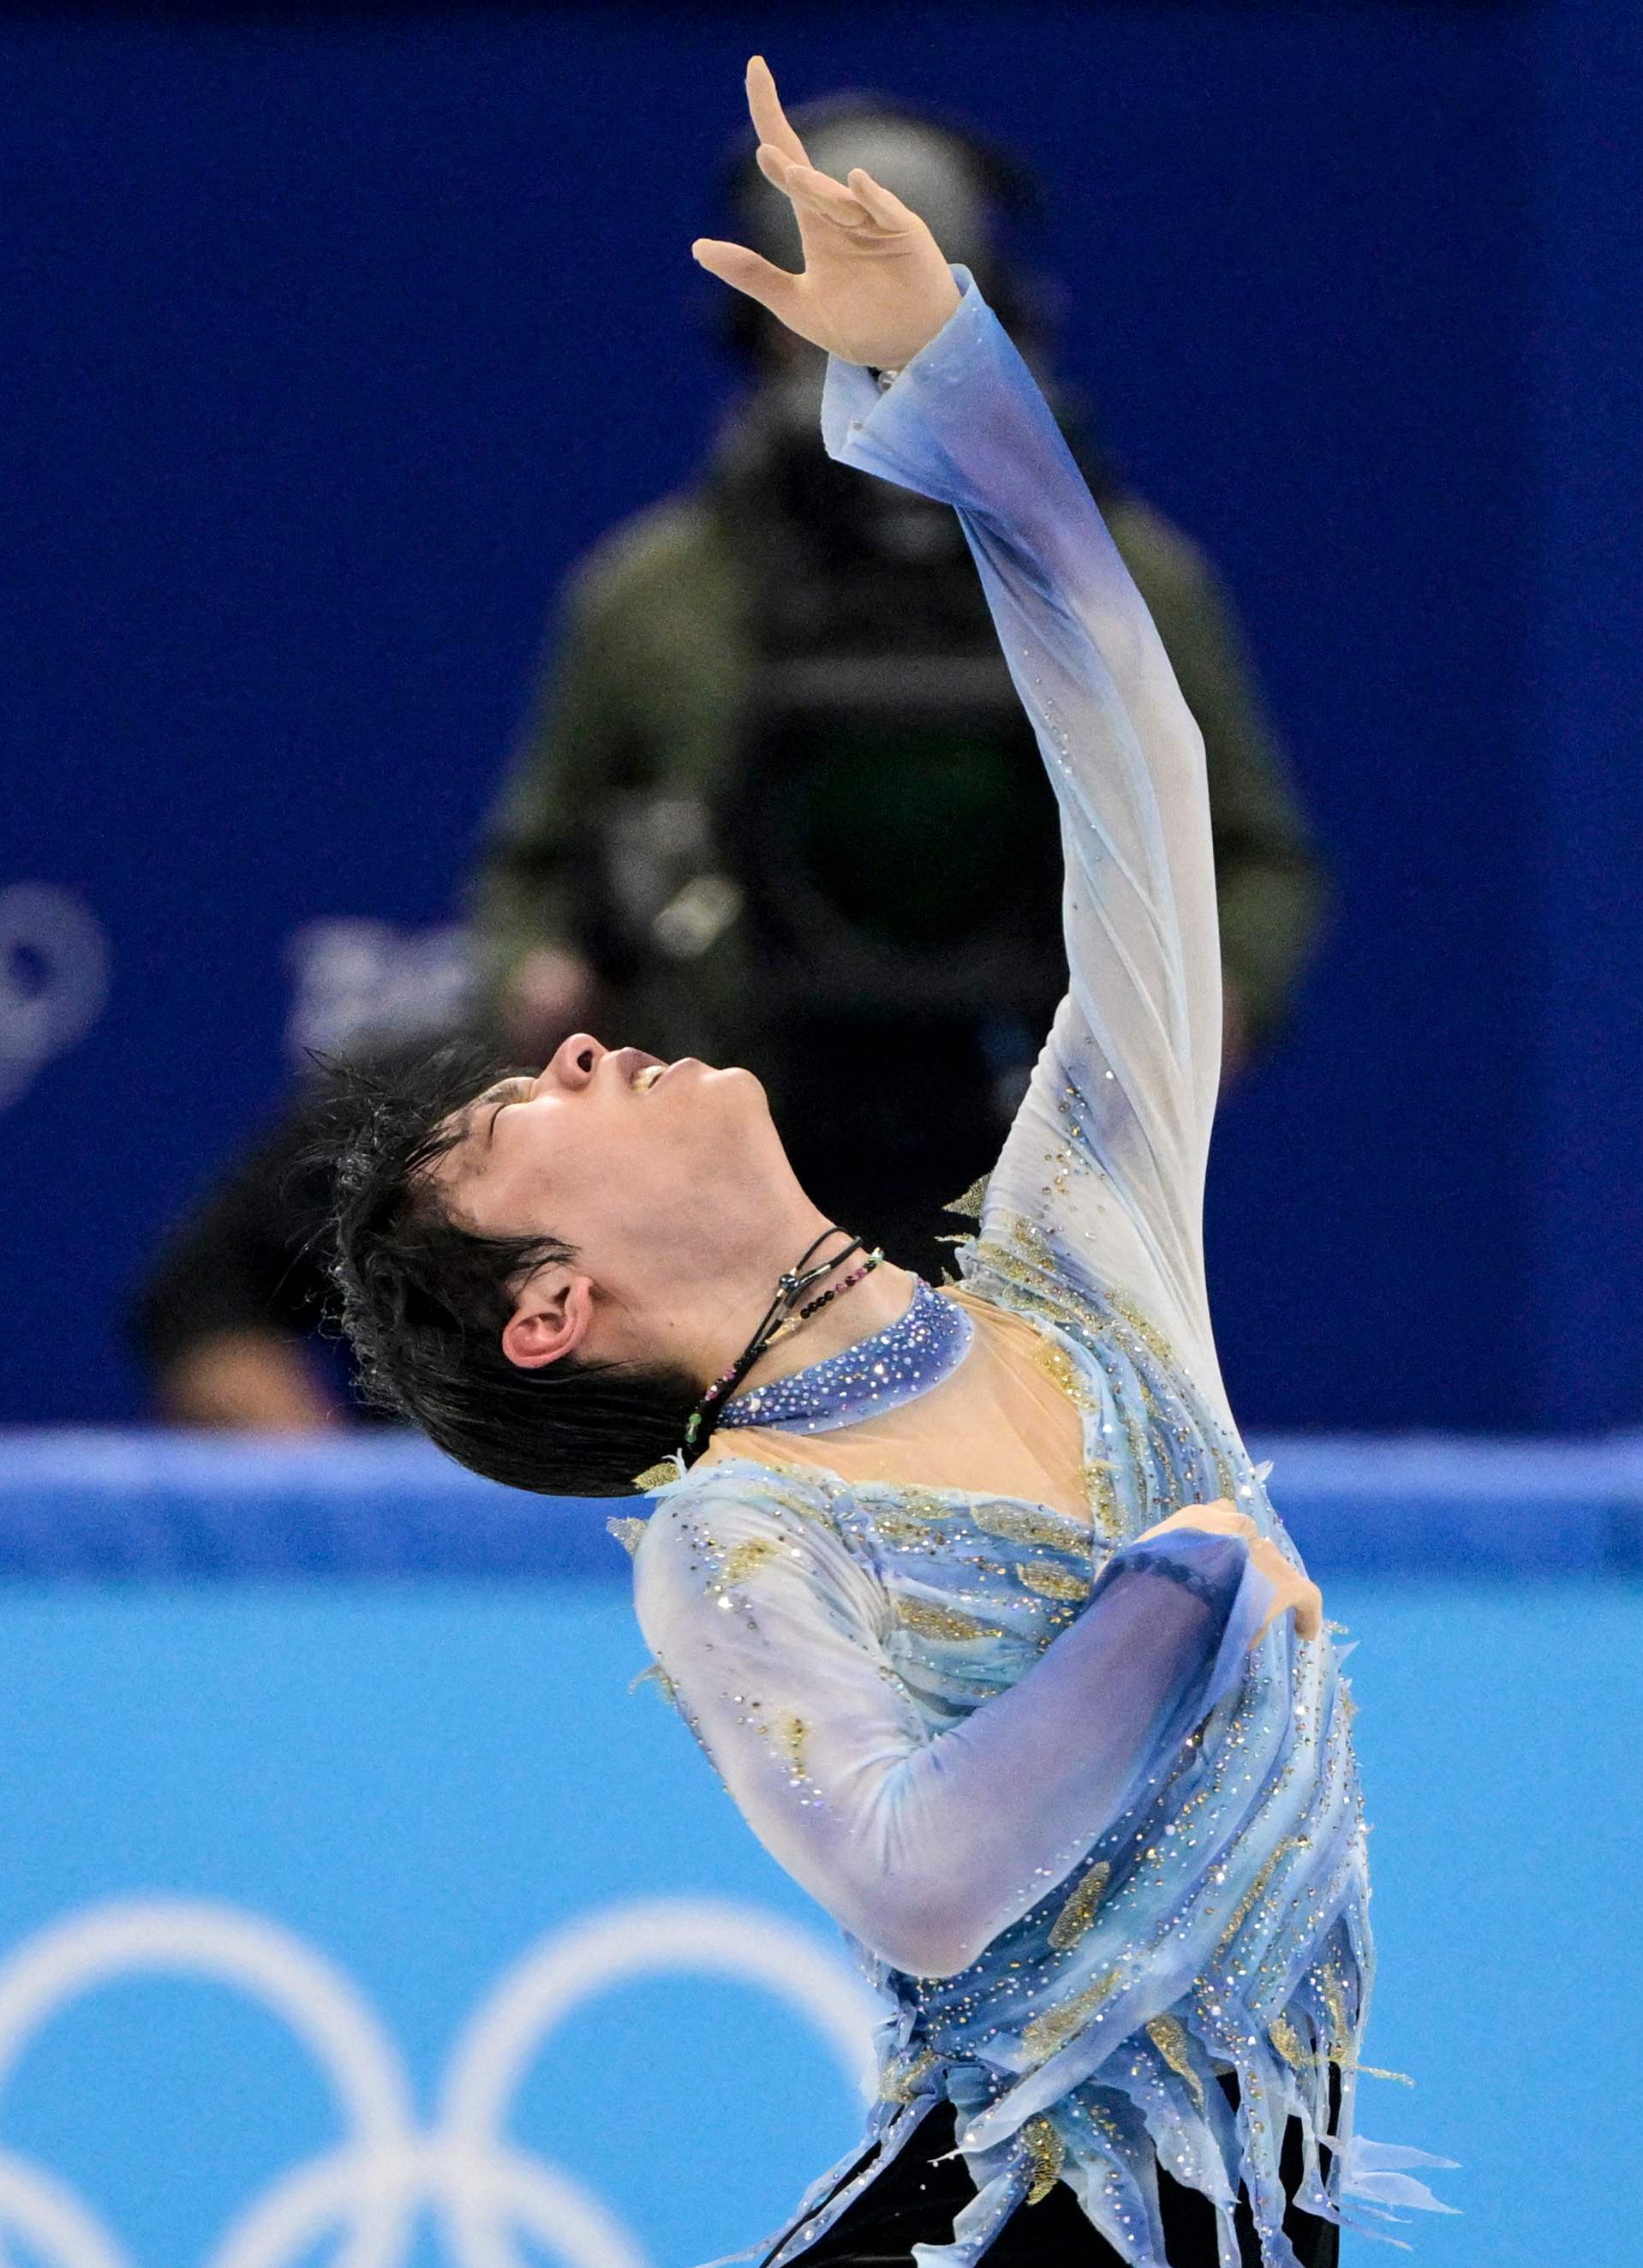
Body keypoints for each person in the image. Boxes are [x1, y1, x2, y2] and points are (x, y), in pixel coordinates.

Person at [303, 65, 1436, 2268]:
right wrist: (1179, 1588)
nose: (570, 1044)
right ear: (552, 1308)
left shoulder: (1082, 1249)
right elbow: (929, 1872)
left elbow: (1145, 790)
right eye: (516, 1108)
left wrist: (955, 406)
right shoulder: (738, 1545)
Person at [127, 97, 1324, 1436]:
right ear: (754, 341)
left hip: (998, 1103)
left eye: (911, 331)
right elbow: (534, 858)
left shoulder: (1122, 587)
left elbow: (1227, 834)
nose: (859, 372)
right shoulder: (655, 598)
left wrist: (1210, 1017)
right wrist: (541, 977)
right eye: (826, 334)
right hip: (725, 1042)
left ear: (1016, 326)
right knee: (265, 1248)